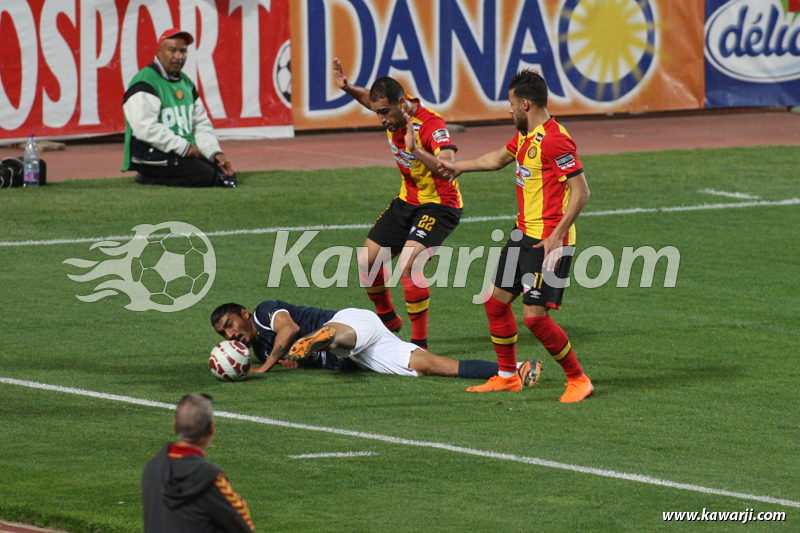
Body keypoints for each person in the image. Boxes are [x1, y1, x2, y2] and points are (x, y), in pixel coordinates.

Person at [439, 70, 593, 402]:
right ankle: (508, 376)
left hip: (549, 241)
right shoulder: (526, 135)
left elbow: (581, 192)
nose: (508, 110)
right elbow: (496, 159)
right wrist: (458, 167)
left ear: (525, 104)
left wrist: (557, 237)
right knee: (495, 304)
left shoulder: (554, 139)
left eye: (511, 104)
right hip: (523, 235)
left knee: (535, 319)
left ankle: (579, 379)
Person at [332, 59, 462, 349]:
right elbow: (371, 100)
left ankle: (419, 345)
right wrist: (348, 88)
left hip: (440, 206)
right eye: (377, 112)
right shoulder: (393, 113)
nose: (380, 120)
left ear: (401, 103)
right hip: (407, 201)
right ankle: (388, 320)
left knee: (408, 265)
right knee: (367, 260)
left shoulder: (432, 125)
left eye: (384, 112)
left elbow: (448, 167)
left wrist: (415, 150)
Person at [211, 301, 541, 383]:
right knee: (432, 366)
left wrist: (265, 368)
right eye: (224, 335)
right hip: (357, 355)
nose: (230, 335)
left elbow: (288, 329)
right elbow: (285, 349)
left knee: (326, 337)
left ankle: (321, 340)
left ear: (242, 313)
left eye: (229, 325)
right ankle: (513, 371)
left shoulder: (264, 313)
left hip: (350, 323)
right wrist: (290, 360)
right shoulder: (259, 348)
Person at [123, 29, 236, 188]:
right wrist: (183, 146)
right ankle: (147, 177)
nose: (179, 56)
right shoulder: (144, 82)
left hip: (180, 151)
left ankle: (159, 175)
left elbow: (200, 124)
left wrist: (214, 153)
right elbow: (145, 129)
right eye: (172, 50)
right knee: (204, 176)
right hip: (149, 153)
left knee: (225, 174)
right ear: (159, 51)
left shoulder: (186, 83)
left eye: (183, 51)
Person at [142, 393, 254, 532]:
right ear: (211, 429)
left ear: (175, 426)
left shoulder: (153, 467)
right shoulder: (210, 478)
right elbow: (244, 526)